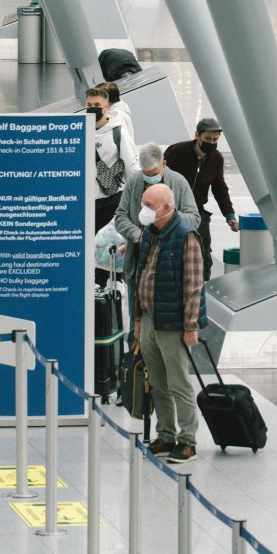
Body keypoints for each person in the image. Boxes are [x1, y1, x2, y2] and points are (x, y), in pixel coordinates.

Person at [130, 183, 206, 465]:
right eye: (144, 204)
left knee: (179, 383)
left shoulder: (186, 236)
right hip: (150, 318)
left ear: (167, 208)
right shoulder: (149, 234)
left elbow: (194, 285)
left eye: (149, 206)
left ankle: (188, 442)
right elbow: (140, 277)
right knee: (159, 383)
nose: (144, 210)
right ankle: (166, 435)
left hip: (173, 323)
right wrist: (138, 321)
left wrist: (190, 326)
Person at [112, 143, 200, 280]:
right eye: (145, 174)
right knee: (137, 300)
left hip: (171, 259)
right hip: (138, 261)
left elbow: (195, 218)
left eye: (154, 174)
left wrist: (170, 215)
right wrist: (137, 235)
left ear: (163, 164)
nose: (150, 178)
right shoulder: (134, 181)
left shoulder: (179, 182)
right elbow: (120, 216)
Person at [164, 118, 237, 281]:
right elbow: (161, 177)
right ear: (197, 135)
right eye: (208, 139)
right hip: (172, 210)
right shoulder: (177, 151)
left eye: (215, 140)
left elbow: (219, 187)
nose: (211, 143)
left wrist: (229, 215)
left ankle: (203, 289)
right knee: (173, 252)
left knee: (204, 255)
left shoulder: (216, 158)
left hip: (198, 211)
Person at [87, 86, 138, 233]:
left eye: (97, 105)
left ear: (107, 107)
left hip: (112, 200)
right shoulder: (80, 131)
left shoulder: (118, 132)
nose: (92, 108)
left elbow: (131, 166)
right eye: (89, 105)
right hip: (88, 201)